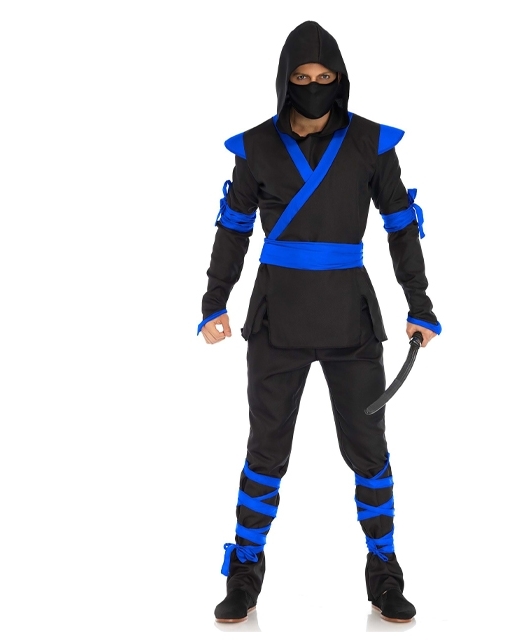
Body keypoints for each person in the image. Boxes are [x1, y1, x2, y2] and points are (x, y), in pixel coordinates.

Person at [198, 21, 442, 624]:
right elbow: (233, 227)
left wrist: (419, 303)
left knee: (369, 450)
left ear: (340, 79)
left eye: (324, 76)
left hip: (350, 321)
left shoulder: (370, 143)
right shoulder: (256, 146)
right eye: (302, 77)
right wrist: (214, 300)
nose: (313, 86)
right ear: (285, 81)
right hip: (275, 317)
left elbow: (401, 224)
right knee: (265, 450)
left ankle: (384, 571)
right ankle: (244, 572)